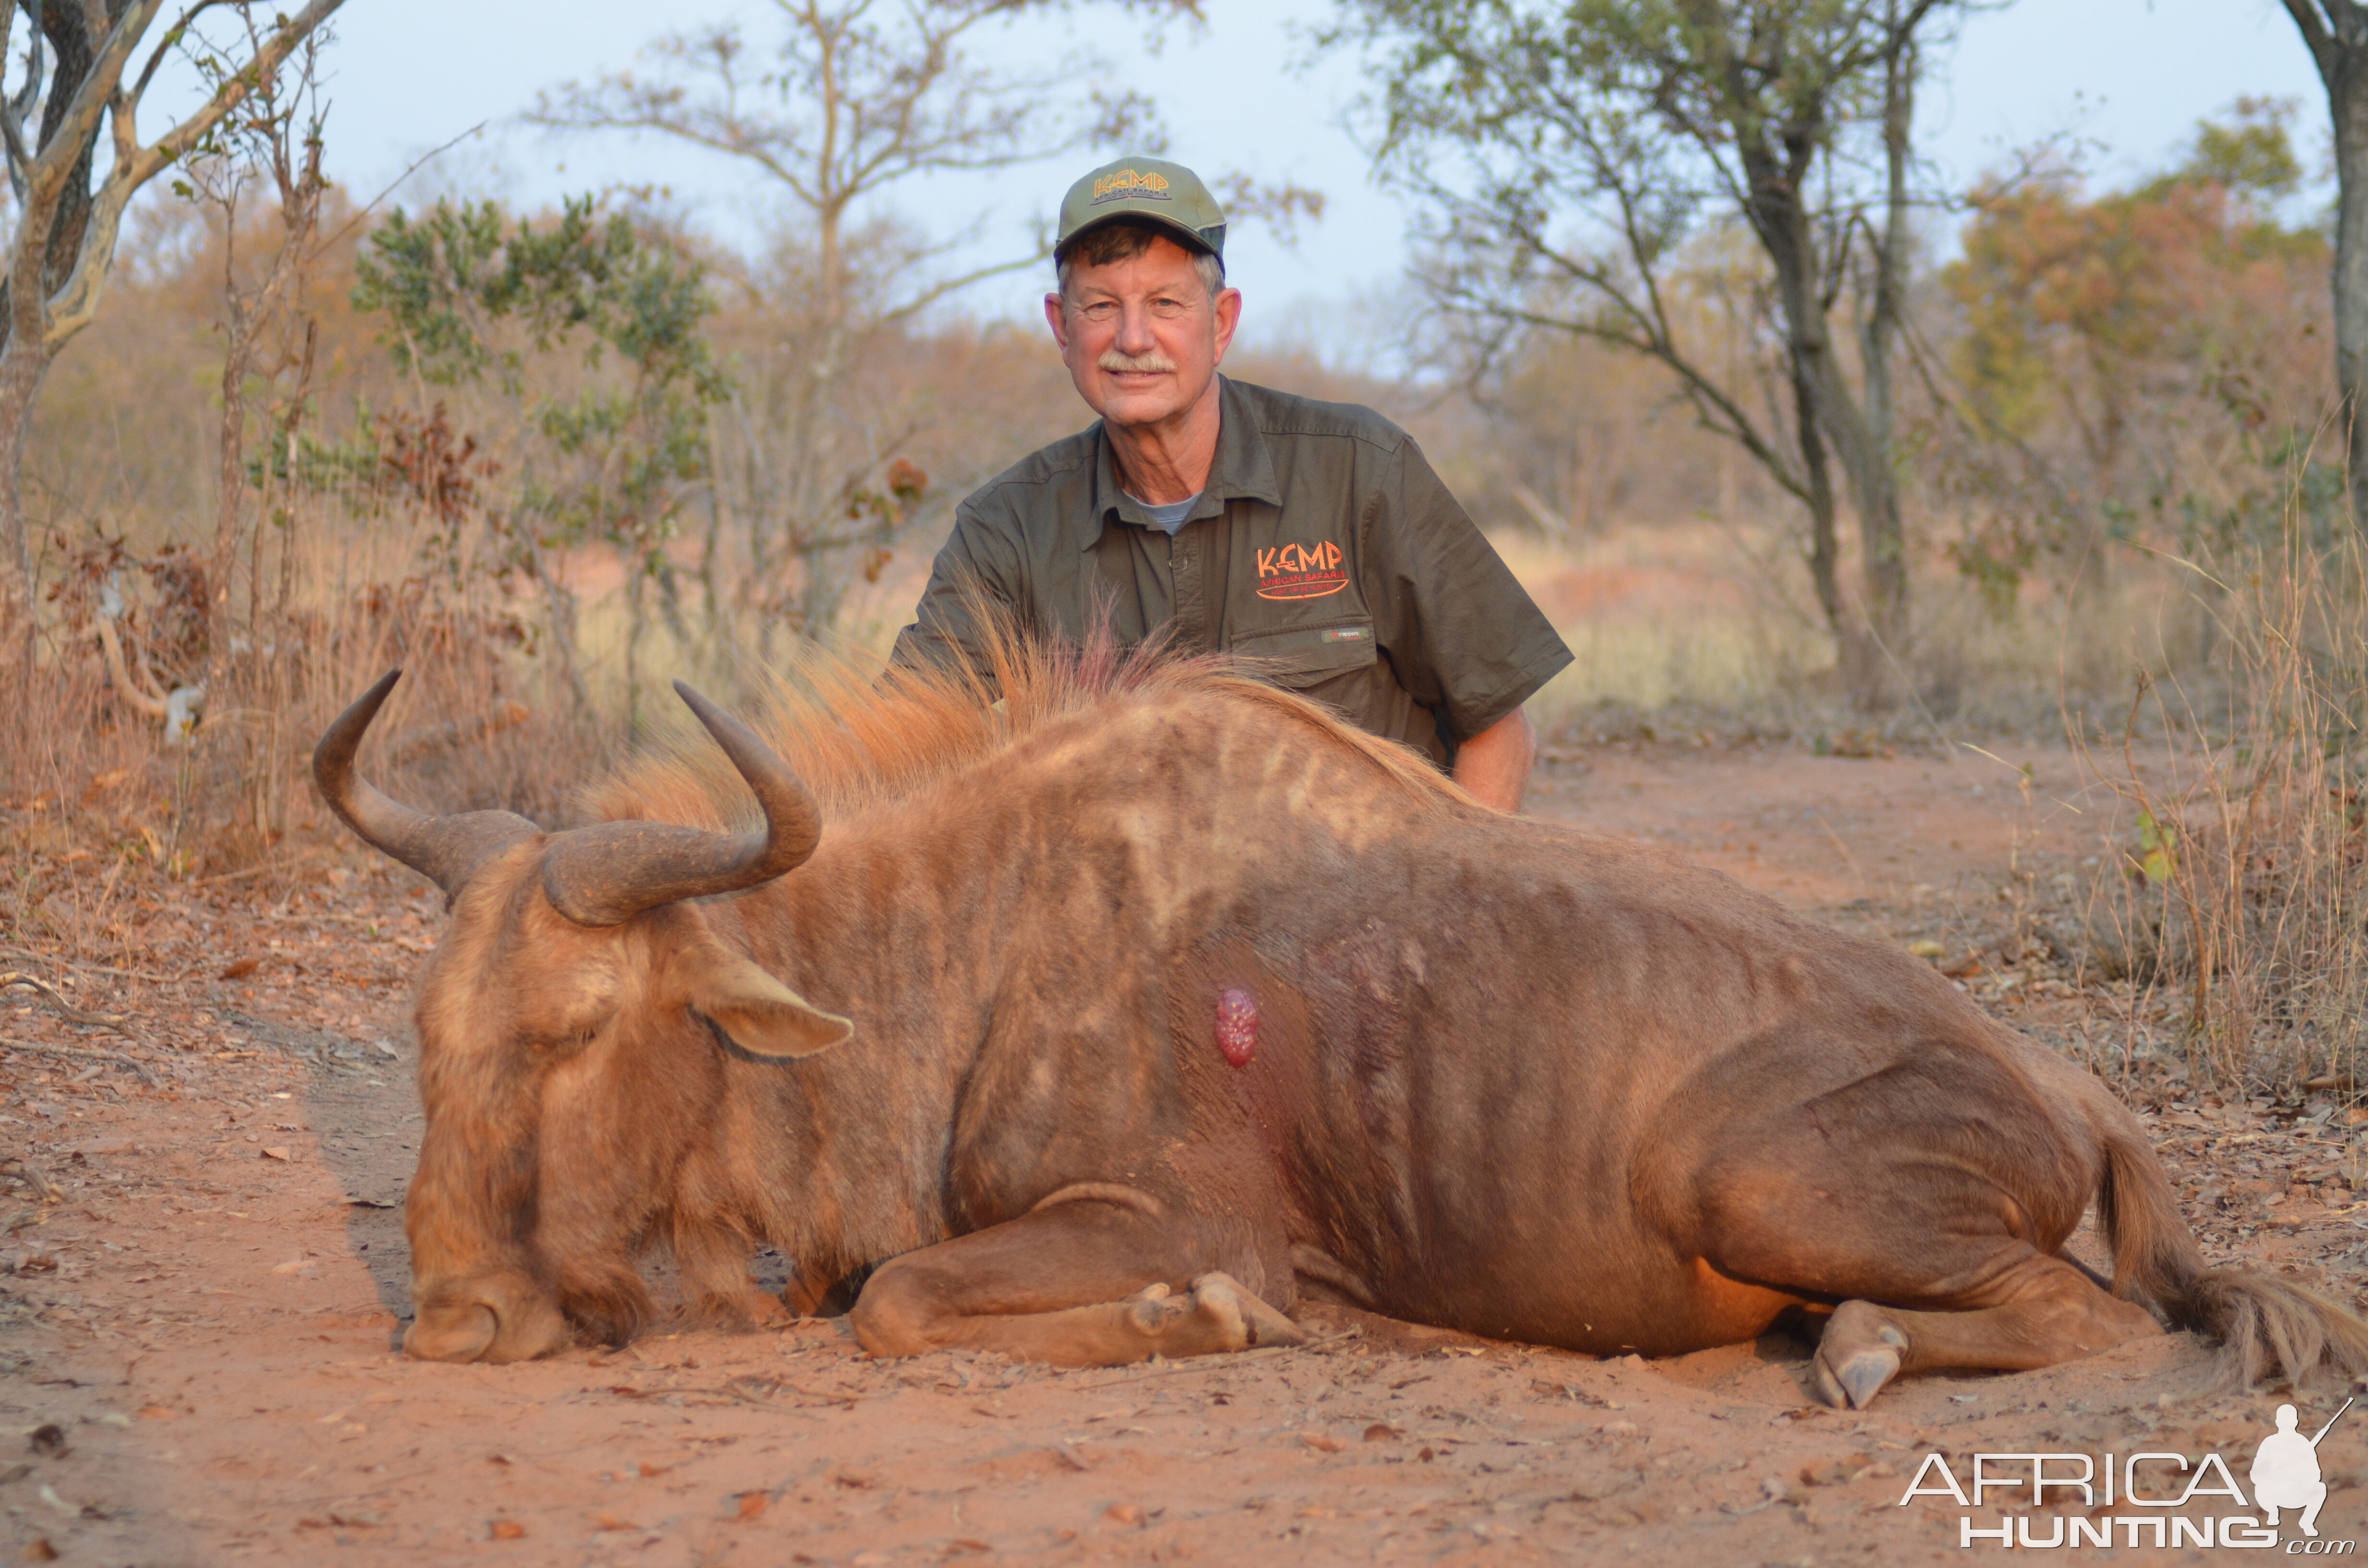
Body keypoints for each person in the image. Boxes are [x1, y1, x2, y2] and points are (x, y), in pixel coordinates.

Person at [890, 156, 1572, 812]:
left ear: (1220, 323)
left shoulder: (1362, 469)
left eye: (1165, 303)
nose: (1133, 338)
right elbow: (898, 733)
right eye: (1100, 306)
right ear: (1061, 327)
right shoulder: (1008, 525)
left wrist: (1445, 918)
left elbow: (1498, 726)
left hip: (1370, 911)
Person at [2251, 1400, 2342, 1537]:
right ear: (2277, 1423)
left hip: (2297, 1493)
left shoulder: (2303, 1443)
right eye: (2284, 1420)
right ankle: (2273, 1513)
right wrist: (2274, 1474)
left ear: (2296, 1422)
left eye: (2289, 1420)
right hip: (2273, 1493)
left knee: (2320, 1488)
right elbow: (2256, 1475)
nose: (2287, 1423)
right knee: (2259, 1488)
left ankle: (2307, 1522)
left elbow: (2316, 1475)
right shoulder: (2269, 1443)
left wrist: (2298, 1475)